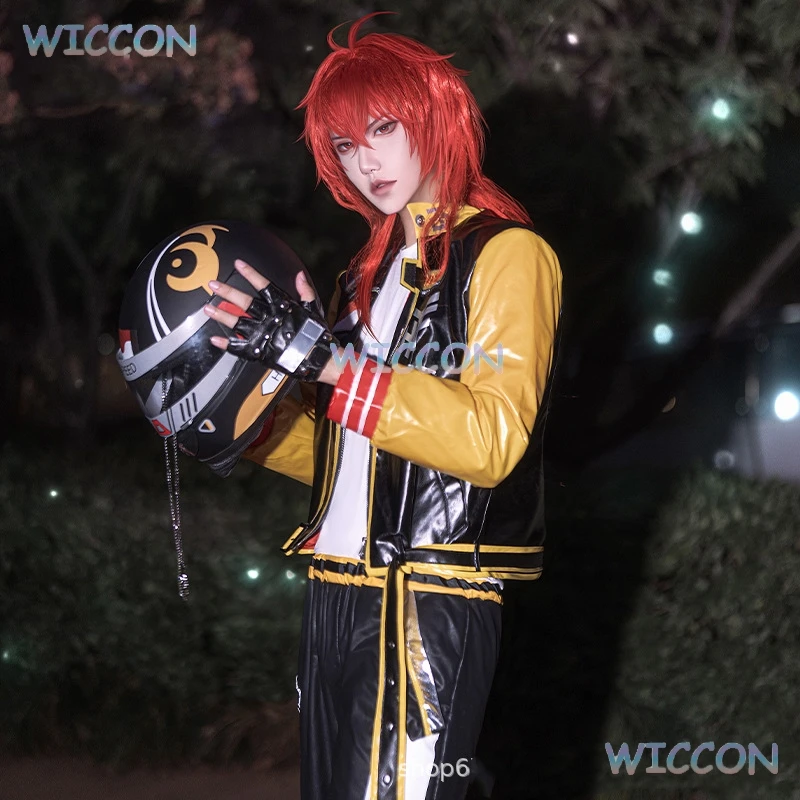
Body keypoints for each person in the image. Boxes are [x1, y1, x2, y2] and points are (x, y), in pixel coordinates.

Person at [203, 13, 562, 800]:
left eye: (383, 128)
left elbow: (492, 440)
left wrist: (329, 362)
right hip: (334, 591)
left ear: (435, 116)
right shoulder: (362, 282)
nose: (366, 160)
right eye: (344, 144)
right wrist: (232, 424)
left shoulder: (508, 254)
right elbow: (348, 461)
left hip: (427, 598)